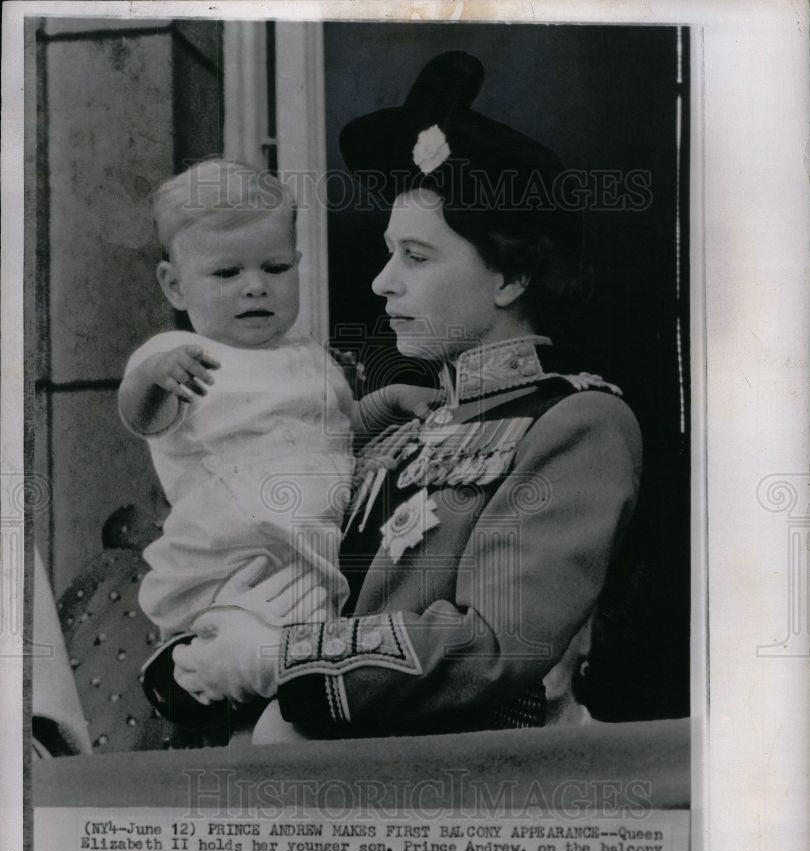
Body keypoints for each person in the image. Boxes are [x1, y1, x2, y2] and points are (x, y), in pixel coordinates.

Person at [165, 51, 643, 736]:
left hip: (477, 795)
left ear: (509, 279)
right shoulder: (395, 429)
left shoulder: (576, 423)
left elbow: (493, 647)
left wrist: (282, 659)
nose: (382, 282)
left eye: (416, 257)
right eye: (391, 253)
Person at [118, 159, 357, 642]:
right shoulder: (180, 357)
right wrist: (152, 379)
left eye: (276, 267)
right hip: (232, 560)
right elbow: (139, 415)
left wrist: (388, 404)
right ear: (175, 286)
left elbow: (351, 431)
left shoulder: (311, 355)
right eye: (227, 272)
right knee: (245, 653)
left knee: (313, 661)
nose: (255, 285)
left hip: (320, 549)